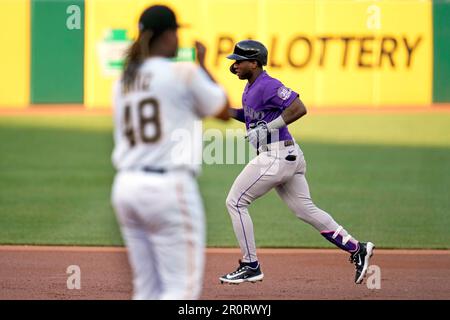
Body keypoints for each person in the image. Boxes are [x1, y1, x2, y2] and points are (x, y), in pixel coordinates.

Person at [220, 40, 374, 285]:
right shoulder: (251, 87)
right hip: (286, 155)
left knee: (236, 201)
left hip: (276, 156)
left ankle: (251, 265)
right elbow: (251, 116)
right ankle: (358, 249)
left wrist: (268, 128)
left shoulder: (269, 85)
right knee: (305, 210)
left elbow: (299, 108)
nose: (235, 64)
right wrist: (226, 111)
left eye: (239, 60)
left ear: (255, 62)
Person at [111, 5, 230, 299]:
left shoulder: (123, 80)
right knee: (181, 290)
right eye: (176, 32)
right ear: (166, 36)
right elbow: (224, 111)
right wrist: (204, 65)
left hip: (126, 187)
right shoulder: (182, 73)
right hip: (168, 188)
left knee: (147, 288)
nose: (178, 38)